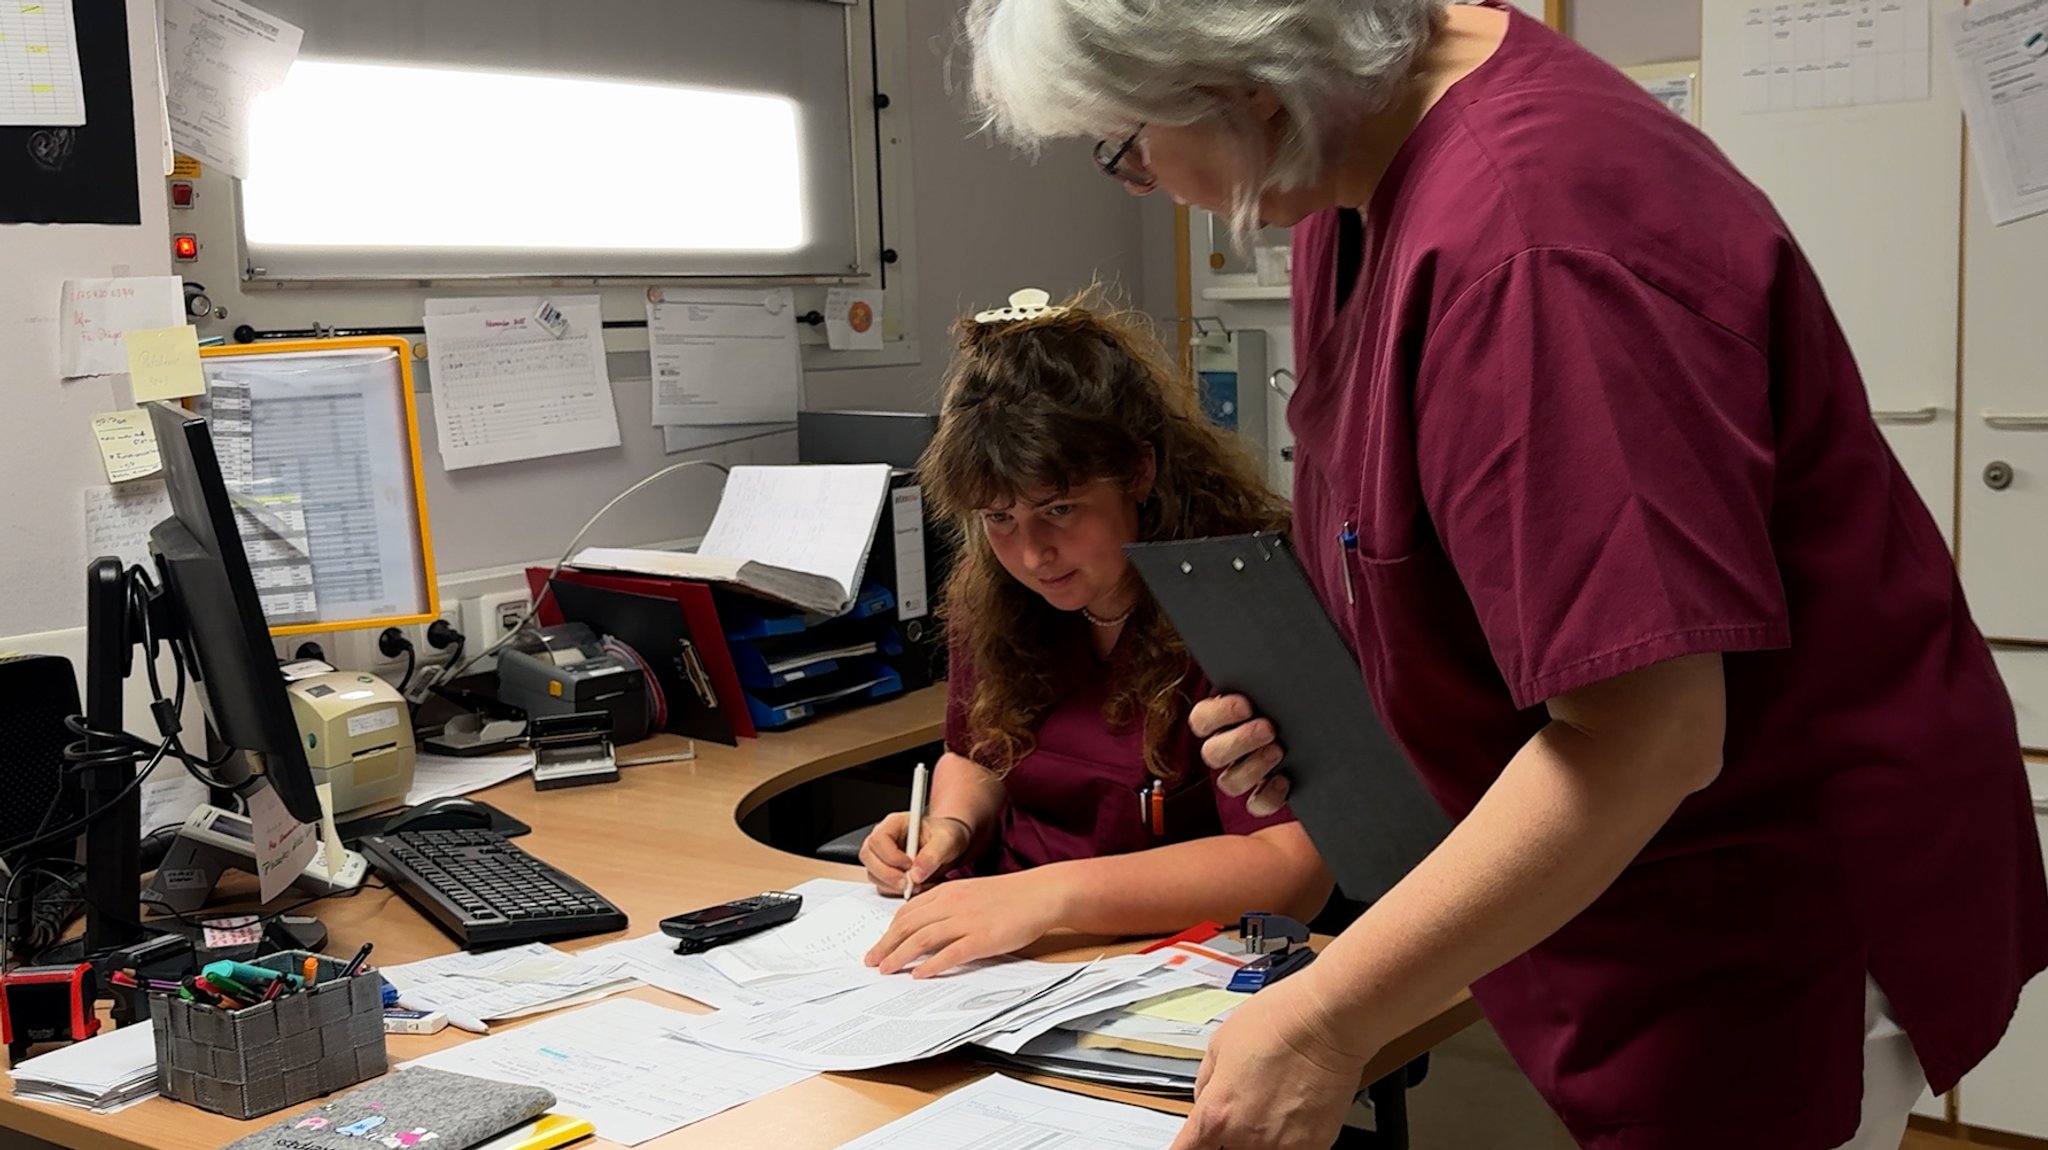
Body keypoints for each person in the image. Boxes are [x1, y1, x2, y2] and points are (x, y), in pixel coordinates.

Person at [962, 4, 2048, 1150]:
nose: (1135, 180)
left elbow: (1645, 737)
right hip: (1613, 876)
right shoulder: (1350, 179)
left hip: (1753, 893)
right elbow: (1418, 550)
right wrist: (1331, 721)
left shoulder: (1534, 241)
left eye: (1122, 141)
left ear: (1241, 80)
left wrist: (1326, 1015)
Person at [858, 289, 1333, 979]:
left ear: (1138, 470)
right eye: (1000, 519)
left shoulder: (1241, 593)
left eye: (1059, 508)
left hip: (1174, 959)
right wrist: (949, 829)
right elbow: (979, 754)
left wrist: (1048, 897)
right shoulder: (994, 595)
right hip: (1006, 953)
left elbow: (1293, 871)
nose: (1031, 554)